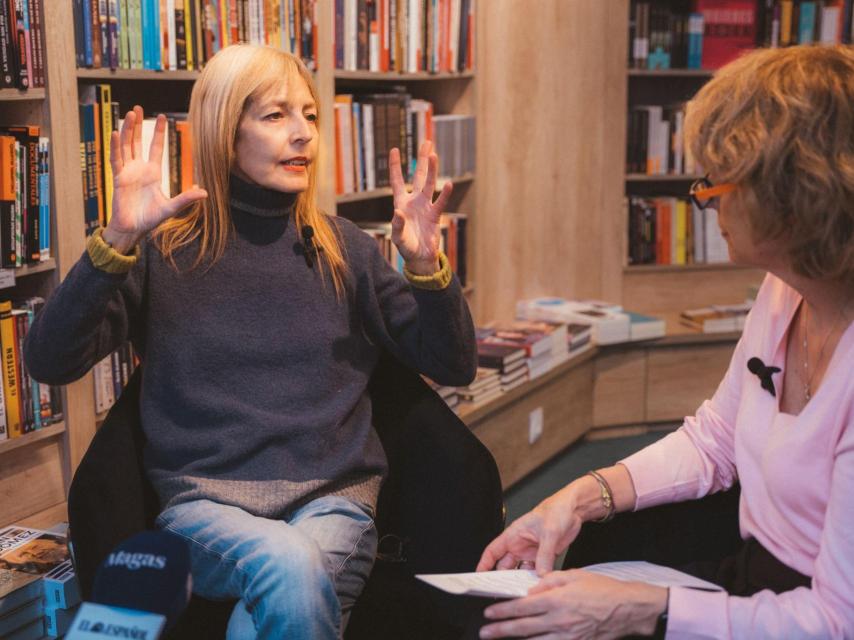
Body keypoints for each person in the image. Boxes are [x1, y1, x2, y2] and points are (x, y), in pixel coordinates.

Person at [24, 44, 476, 639]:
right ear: (223, 132)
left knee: (272, 600)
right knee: (291, 568)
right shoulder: (163, 252)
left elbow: (455, 363)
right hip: (202, 512)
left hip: (334, 503)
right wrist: (115, 242)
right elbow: (49, 361)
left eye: (310, 116)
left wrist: (426, 267)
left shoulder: (348, 249)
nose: (303, 135)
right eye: (274, 116)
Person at [475, 45, 854, 639]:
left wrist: (640, 608)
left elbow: (837, 622)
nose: (701, 198)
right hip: (751, 579)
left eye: (716, 180)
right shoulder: (784, 293)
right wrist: (580, 496)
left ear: (790, 195)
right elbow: (714, 441)